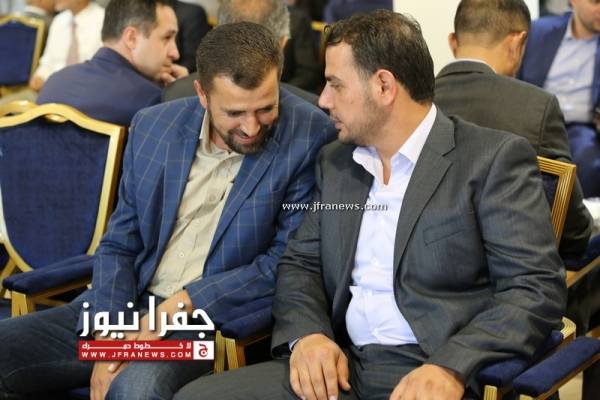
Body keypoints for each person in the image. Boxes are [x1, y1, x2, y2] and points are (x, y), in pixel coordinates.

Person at [174, 10, 566, 400]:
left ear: (383, 86)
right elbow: (300, 265)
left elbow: (534, 289)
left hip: (430, 371)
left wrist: (452, 366)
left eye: (335, 85)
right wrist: (308, 335)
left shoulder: (489, 160)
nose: (323, 100)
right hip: (341, 366)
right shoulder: (337, 163)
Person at [0, 21, 336, 400]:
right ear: (202, 94)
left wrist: (182, 303)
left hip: (203, 321)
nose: (251, 127)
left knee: (134, 389)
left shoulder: (308, 135)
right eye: (235, 113)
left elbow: (284, 261)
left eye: (266, 108)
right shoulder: (153, 126)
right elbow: (120, 243)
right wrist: (110, 336)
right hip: (122, 304)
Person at [435, 0, 592, 260]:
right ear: (517, 43)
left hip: (429, 267)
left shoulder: (418, 103)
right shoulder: (536, 106)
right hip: (511, 270)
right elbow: (571, 228)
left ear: (453, 42)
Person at [38, 0, 188, 126]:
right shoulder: (152, 103)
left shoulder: (54, 83)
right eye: (167, 38)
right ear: (131, 38)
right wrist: (181, 95)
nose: (175, 53)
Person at [163, 0, 319, 106]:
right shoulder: (311, 113)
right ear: (282, 42)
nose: (250, 127)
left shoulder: (175, 94)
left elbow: (308, 73)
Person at [518, 0, 600, 198]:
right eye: (595, 2)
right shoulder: (537, 32)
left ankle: (580, 216)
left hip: (581, 129)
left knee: (589, 164)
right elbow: (513, 78)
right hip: (532, 122)